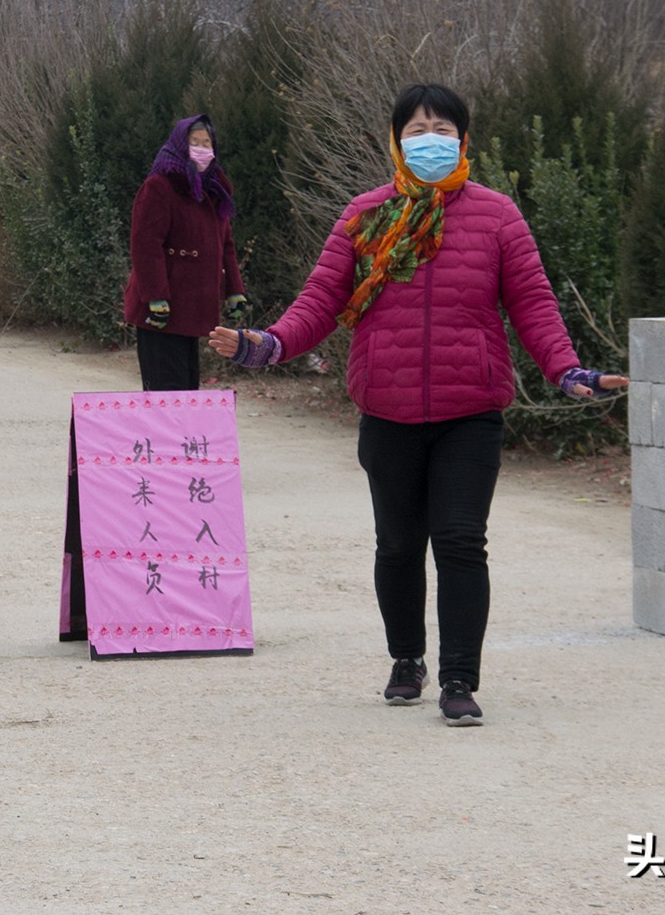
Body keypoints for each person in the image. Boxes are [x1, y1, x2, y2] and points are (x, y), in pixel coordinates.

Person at [208, 83, 626, 726]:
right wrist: (263, 345)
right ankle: (407, 659)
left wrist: (568, 370)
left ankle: (460, 679)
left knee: (461, 541)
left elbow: (534, 304)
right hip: (388, 406)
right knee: (399, 544)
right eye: (418, 129)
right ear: (396, 140)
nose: (431, 139)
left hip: (471, 409)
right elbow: (320, 302)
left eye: (443, 128)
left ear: (463, 138)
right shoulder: (365, 216)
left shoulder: (497, 217)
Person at [123, 114, 247, 392]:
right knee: (164, 395)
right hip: (160, 313)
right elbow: (145, 245)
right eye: (195, 143)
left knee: (187, 394)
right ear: (181, 145)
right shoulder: (160, 187)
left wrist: (234, 290)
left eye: (207, 143)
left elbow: (225, 245)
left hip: (193, 309)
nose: (202, 149)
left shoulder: (213, 192)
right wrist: (155, 296)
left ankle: (183, 438)